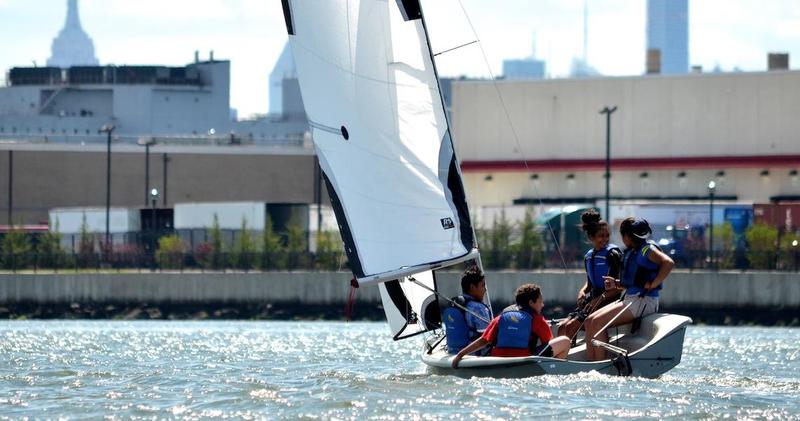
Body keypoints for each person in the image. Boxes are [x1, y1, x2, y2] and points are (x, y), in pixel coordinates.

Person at [583, 218, 674, 361]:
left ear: (628, 236)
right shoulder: (634, 251)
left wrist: (654, 283)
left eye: (622, 235)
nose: (622, 239)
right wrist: (616, 283)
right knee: (589, 321)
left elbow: (668, 263)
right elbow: (632, 282)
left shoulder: (647, 249)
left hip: (643, 301)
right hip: (632, 299)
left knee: (598, 323)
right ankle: (590, 362)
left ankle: (599, 364)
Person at [451, 283, 571, 367]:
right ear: (531, 303)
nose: (543, 305)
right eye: (540, 301)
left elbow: (483, 340)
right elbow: (549, 343)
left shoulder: (501, 316)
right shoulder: (537, 319)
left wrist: (461, 354)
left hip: (497, 361)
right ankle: (554, 372)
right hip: (523, 362)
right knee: (565, 341)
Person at [557, 210, 623, 342]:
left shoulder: (612, 254)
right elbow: (589, 283)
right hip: (592, 300)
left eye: (607, 235)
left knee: (570, 326)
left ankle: (563, 357)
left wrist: (596, 300)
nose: (605, 239)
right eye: (601, 236)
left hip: (608, 300)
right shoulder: (588, 256)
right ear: (591, 237)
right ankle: (562, 357)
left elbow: (619, 287)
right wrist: (582, 292)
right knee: (562, 326)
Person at [443, 266, 491, 354]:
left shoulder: (452, 304)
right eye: (483, 285)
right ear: (472, 287)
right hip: (474, 356)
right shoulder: (478, 308)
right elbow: (486, 338)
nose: (485, 289)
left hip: (451, 352)